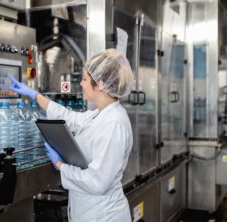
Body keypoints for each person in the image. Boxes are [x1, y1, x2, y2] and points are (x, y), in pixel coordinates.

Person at [9, 49, 134, 221]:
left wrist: (60, 165)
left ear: (101, 85)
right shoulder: (99, 114)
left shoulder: (113, 123)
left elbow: (97, 182)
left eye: (85, 79)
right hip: (88, 211)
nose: (81, 84)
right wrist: (36, 95)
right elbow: (69, 118)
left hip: (103, 215)